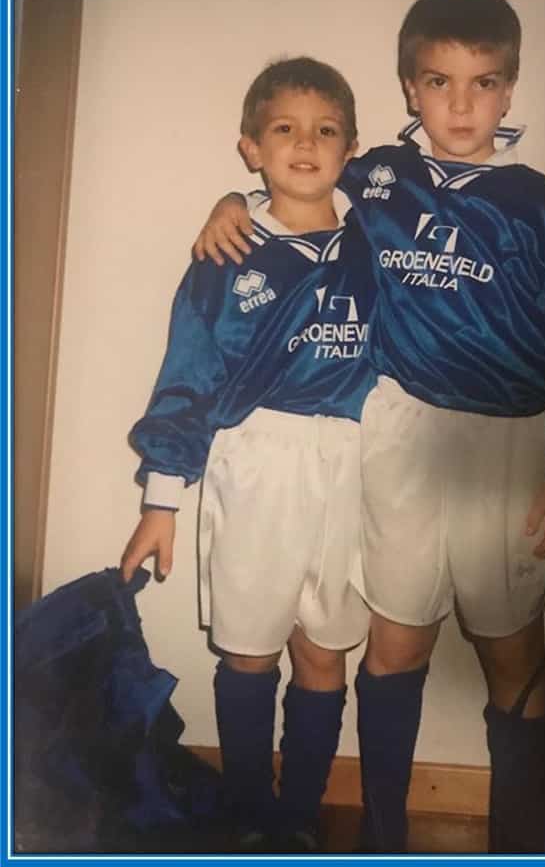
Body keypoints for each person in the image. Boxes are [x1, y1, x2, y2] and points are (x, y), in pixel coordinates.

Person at [189, 0, 545, 854]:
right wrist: (230, 205)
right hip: (397, 433)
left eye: (484, 82)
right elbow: (290, 166)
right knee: (394, 640)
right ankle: (385, 830)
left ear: (509, 87)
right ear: (408, 86)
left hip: (506, 445)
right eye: (438, 81)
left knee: (511, 648)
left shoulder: (544, 206)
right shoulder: (376, 172)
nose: (461, 104)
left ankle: (520, 835)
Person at [119, 57, 376, 852]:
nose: (306, 143)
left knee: (324, 648)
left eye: (326, 130)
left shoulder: (375, 244)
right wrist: (161, 501)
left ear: (352, 148)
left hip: (354, 458)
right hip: (255, 458)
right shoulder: (226, 253)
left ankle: (298, 811)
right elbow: (187, 374)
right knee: (249, 646)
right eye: (284, 129)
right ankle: (245, 809)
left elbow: (457, 297)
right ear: (249, 148)